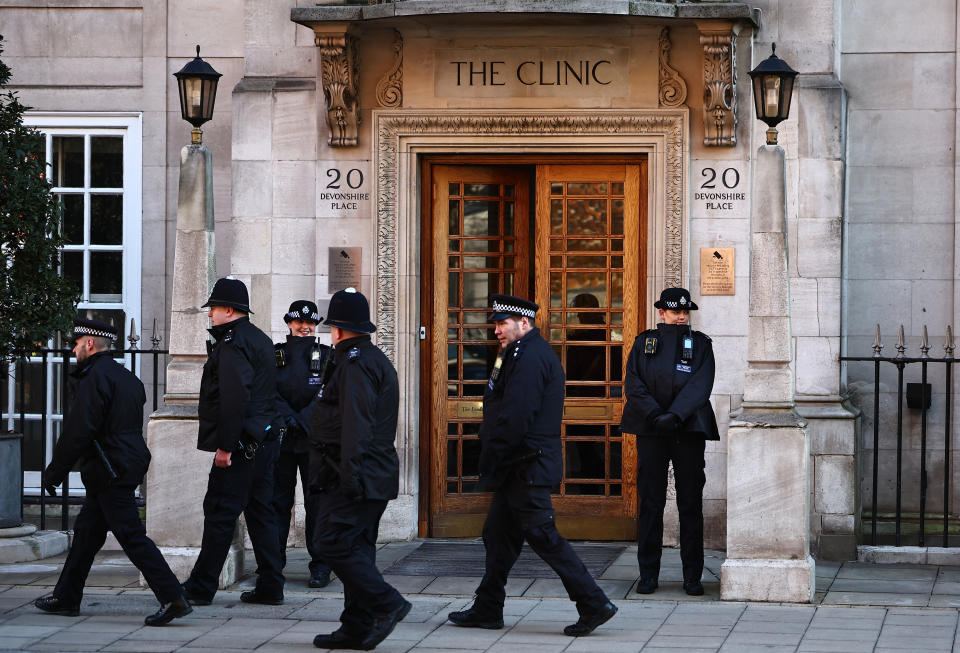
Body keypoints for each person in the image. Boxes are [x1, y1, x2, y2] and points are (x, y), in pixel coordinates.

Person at [447, 294, 617, 638]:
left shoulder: (530, 356)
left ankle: (593, 602)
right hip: (517, 465)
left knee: (543, 535)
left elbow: (516, 415)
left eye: (501, 324)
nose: (496, 330)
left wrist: (492, 454)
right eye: (495, 324)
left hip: (526, 464)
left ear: (524, 323)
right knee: (497, 534)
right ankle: (488, 607)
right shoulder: (517, 353)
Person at [35, 318, 191, 626]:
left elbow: (79, 430)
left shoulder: (93, 378)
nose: (74, 350)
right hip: (121, 466)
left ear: (89, 343)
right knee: (86, 535)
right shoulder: (126, 378)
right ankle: (66, 596)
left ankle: (173, 597)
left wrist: (54, 471)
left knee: (132, 537)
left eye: (76, 344)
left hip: (109, 470)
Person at [309, 287, 411, 651]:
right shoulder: (364, 358)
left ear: (337, 329)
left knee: (330, 543)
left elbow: (357, 425)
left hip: (356, 473)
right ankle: (356, 624)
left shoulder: (356, 364)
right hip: (364, 472)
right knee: (357, 548)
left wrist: (349, 478)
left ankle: (388, 603)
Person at [181, 277, 285, 606]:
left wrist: (225, 447)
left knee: (220, 512)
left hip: (241, 445)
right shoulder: (260, 339)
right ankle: (271, 585)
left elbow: (233, 398)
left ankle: (200, 587)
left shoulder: (233, 343)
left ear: (229, 310)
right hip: (264, 440)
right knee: (261, 512)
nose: (210, 314)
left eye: (213, 308)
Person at [619, 287, 719, 596]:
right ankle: (648, 574)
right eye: (675, 311)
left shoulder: (700, 345)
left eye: (684, 312)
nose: (680, 316)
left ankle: (692, 576)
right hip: (651, 431)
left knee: (690, 503)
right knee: (651, 502)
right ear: (661, 312)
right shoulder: (643, 342)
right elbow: (633, 383)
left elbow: (701, 384)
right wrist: (655, 415)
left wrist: (675, 415)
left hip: (687, 430)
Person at [273, 300, 332, 588]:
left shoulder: (328, 356)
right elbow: (267, 390)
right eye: (299, 322)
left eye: (310, 323)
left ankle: (321, 566)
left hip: (314, 440)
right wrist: (289, 419)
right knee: (277, 504)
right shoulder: (275, 354)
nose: (305, 327)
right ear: (288, 323)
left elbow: (329, 392)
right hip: (283, 440)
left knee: (317, 505)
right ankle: (273, 565)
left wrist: (304, 419)